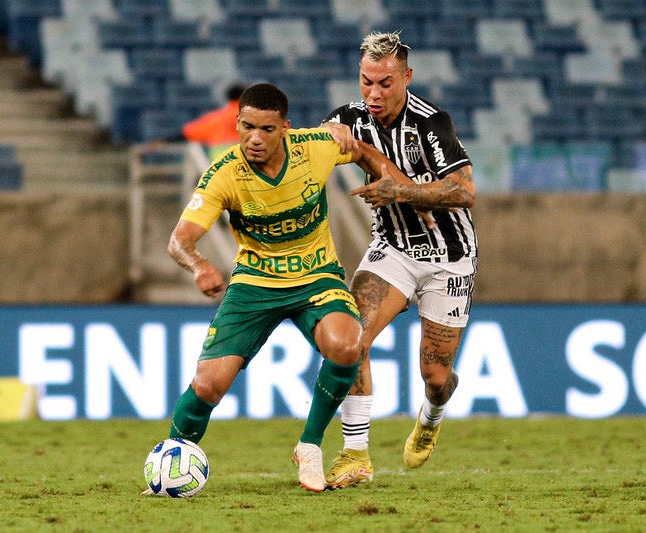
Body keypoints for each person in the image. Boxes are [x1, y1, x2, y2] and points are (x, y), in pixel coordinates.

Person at [152, 82, 420, 493]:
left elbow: (364, 151)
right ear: (237, 123)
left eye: (266, 129)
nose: (254, 138)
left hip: (316, 275)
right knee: (207, 385)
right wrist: (199, 264)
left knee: (348, 346)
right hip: (254, 284)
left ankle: (310, 446)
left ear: (286, 128)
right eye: (246, 127)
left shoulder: (315, 146)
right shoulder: (224, 173)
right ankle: (172, 460)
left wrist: (403, 190)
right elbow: (179, 239)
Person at [321, 31, 478, 489]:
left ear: (406, 77)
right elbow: (319, 144)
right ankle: (354, 454)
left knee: (435, 374)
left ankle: (432, 415)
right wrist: (324, 138)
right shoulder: (349, 118)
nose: (373, 93)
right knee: (351, 338)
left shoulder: (432, 124)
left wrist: (401, 190)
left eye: (385, 83)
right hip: (392, 249)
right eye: (366, 81)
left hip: (450, 259)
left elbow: (465, 191)